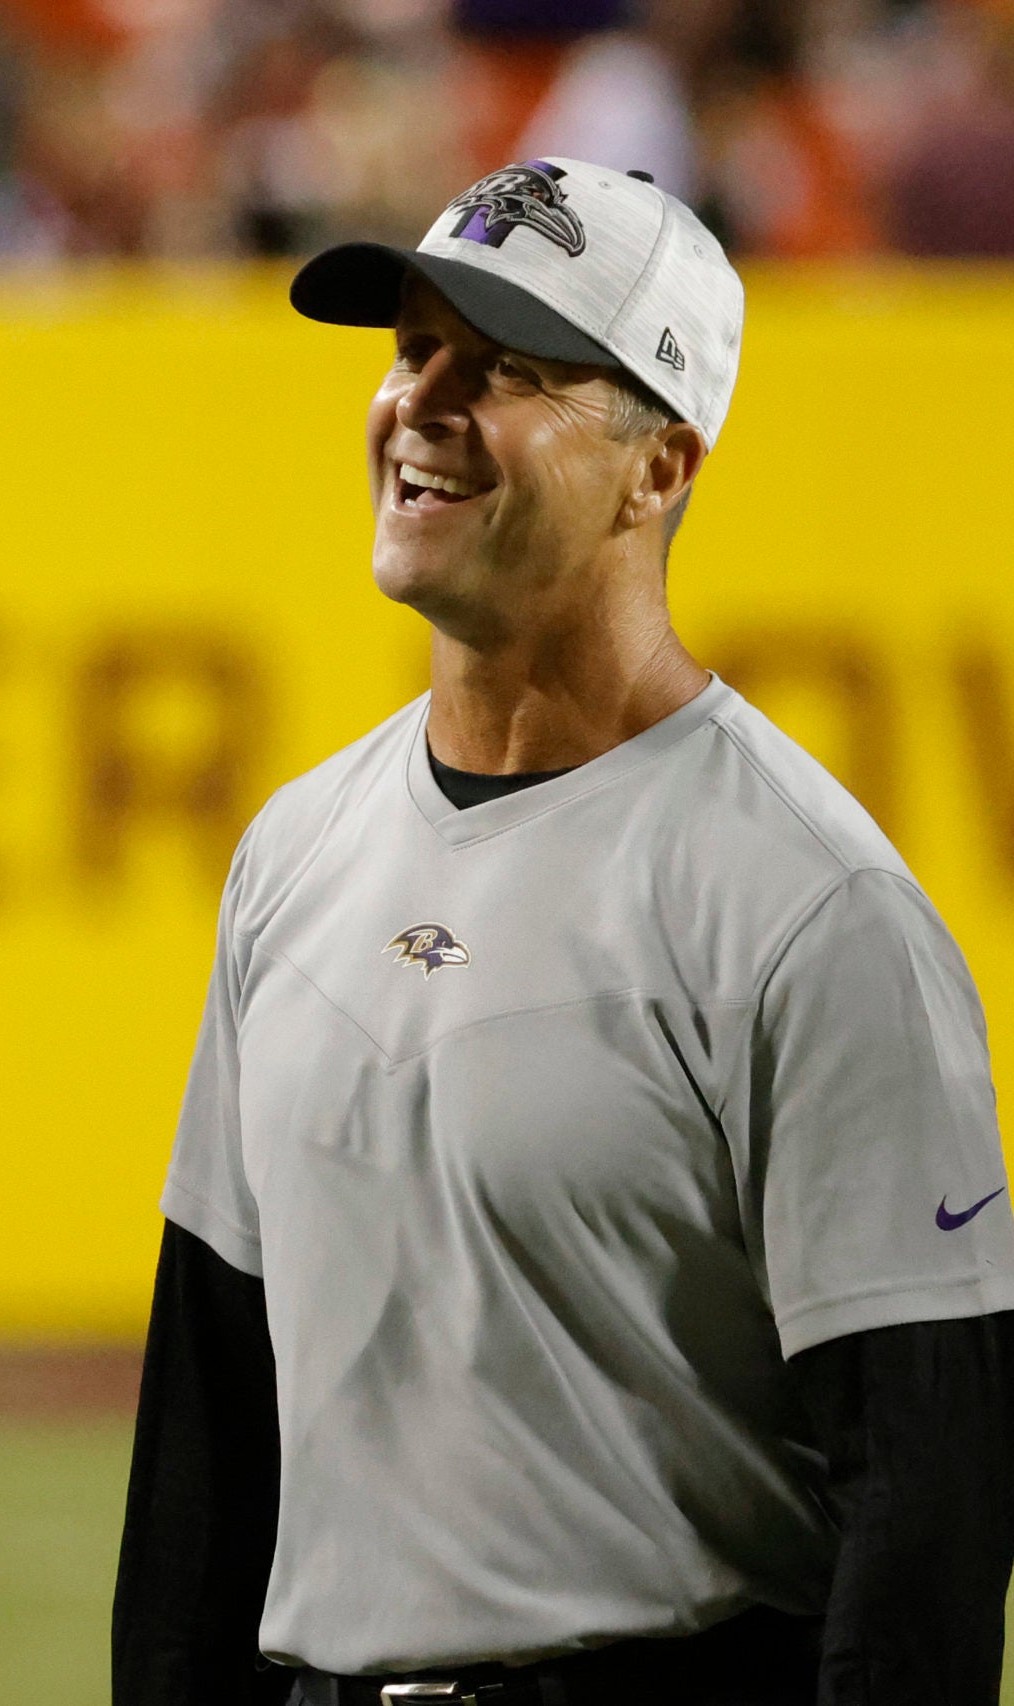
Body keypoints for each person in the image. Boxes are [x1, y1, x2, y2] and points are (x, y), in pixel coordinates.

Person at [112, 157, 1014, 1704]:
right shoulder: (292, 851)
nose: (423, 404)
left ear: (659, 466)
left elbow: (927, 1494)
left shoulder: (811, 903)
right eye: (412, 351)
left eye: (512, 370)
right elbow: (209, 1432)